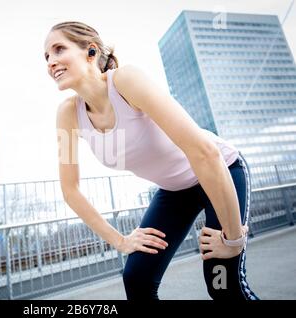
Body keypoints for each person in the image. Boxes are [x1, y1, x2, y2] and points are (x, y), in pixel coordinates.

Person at [44, 21, 259, 300]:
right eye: (46, 56)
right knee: (137, 279)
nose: (51, 61)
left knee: (222, 284)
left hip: (220, 170)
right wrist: (120, 241)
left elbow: (204, 152)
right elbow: (70, 191)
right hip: (174, 191)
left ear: (91, 52)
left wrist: (233, 239)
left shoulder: (125, 81)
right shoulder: (67, 115)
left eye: (58, 49)